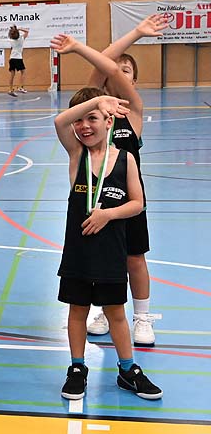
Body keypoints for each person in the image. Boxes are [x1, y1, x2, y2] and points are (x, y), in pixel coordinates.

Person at [51, 35, 162, 401]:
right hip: (79, 253)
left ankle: (128, 369)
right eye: (80, 120)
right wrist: (95, 100)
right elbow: (60, 120)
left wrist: (107, 214)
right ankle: (77, 366)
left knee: (115, 312)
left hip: (112, 251)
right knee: (77, 311)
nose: (84, 126)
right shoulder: (76, 156)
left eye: (93, 119)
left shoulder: (125, 158)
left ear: (109, 120)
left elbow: (137, 204)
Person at [85, 14, 168, 346]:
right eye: (116, 69)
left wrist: (134, 36)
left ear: (134, 79)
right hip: (96, 198)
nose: (119, 73)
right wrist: (135, 32)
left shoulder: (133, 111)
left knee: (134, 258)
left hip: (130, 199)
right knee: (105, 258)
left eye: (127, 70)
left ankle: (142, 317)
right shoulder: (93, 110)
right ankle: (107, 311)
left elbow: (109, 66)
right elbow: (103, 64)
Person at [8, 25, 29, 96]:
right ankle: (20, 87)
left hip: (11, 58)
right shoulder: (21, 39)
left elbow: (12, 34)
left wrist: (15, 30)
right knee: (23, 72)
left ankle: (10, 89)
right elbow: (27, 31)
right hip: (18, 58)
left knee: (12, 74)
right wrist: (20, 28)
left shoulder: (11, 40)